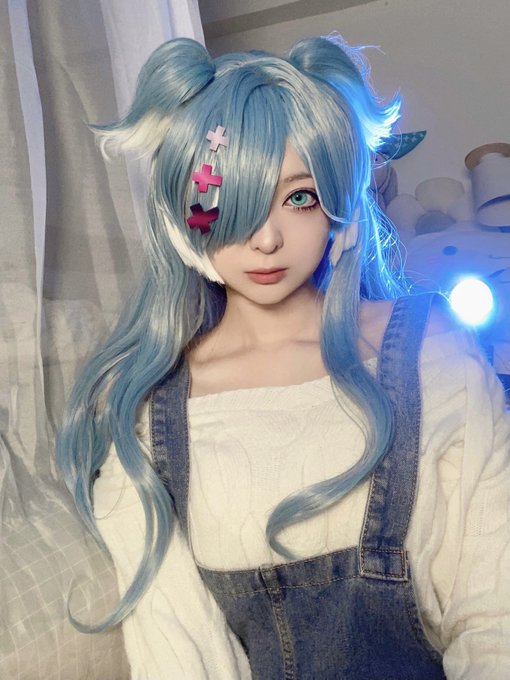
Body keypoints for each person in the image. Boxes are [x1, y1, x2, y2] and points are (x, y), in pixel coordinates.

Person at [57, 34, 510, 679]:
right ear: (181, 220)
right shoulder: (149, 411)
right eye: (228, 202)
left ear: (339, 203)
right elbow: (178, 654)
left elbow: (494, 611)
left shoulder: (429, 350)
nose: (266, 238)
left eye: (299, 197)